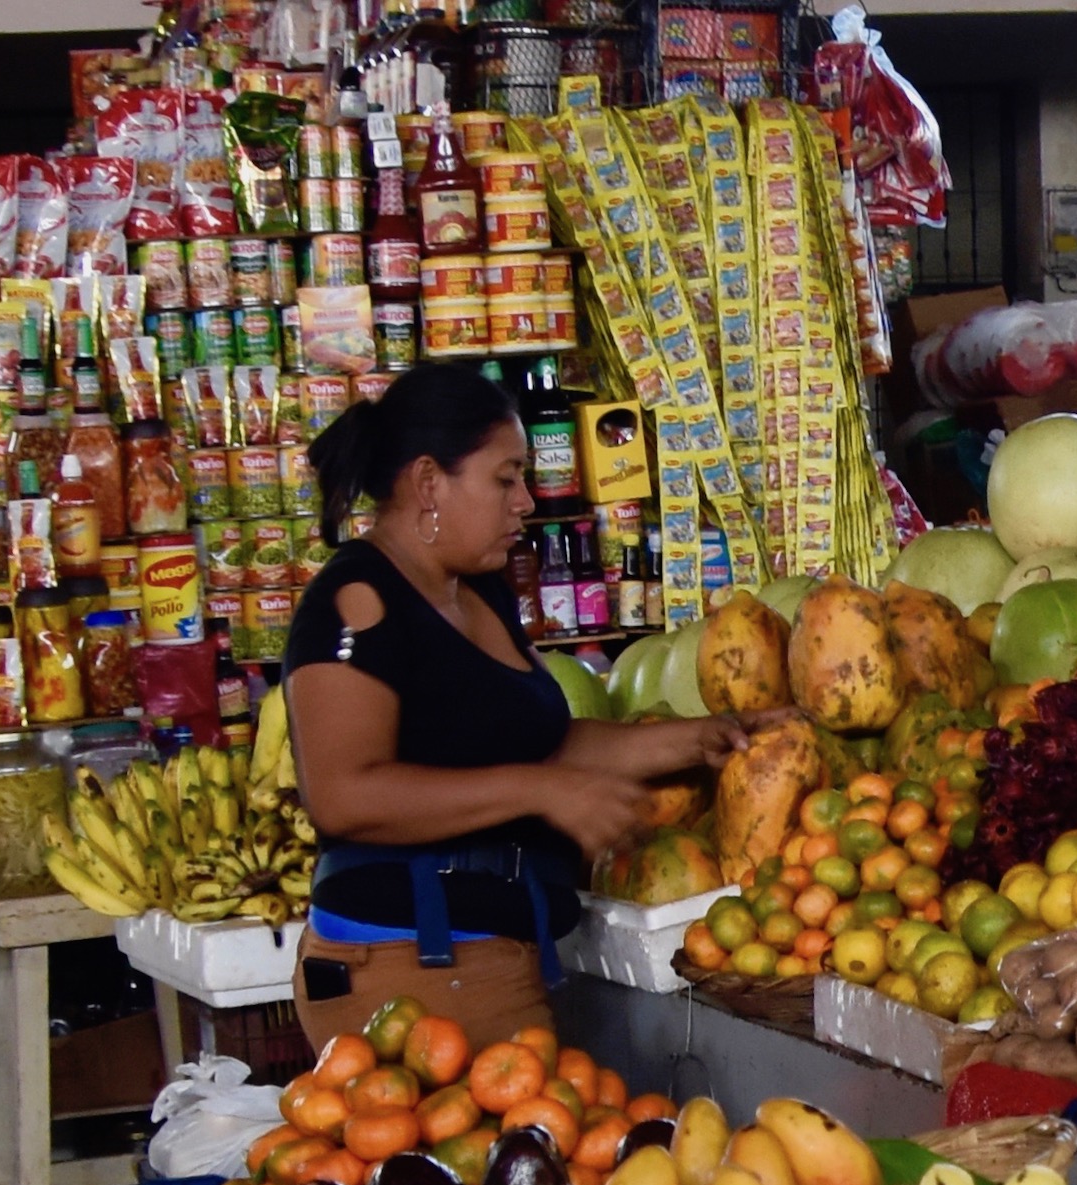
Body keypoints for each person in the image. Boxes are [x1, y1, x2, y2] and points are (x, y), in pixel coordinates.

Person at [283, 362, 738, 1047]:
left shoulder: (478, 592)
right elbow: (344, 795)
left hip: (496, 954)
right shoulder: (357, 602)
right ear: (429, 482)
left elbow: (542, 744)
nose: (526, 500)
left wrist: (706, 738)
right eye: (505, 478)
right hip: (405, 968)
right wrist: (540, 791)